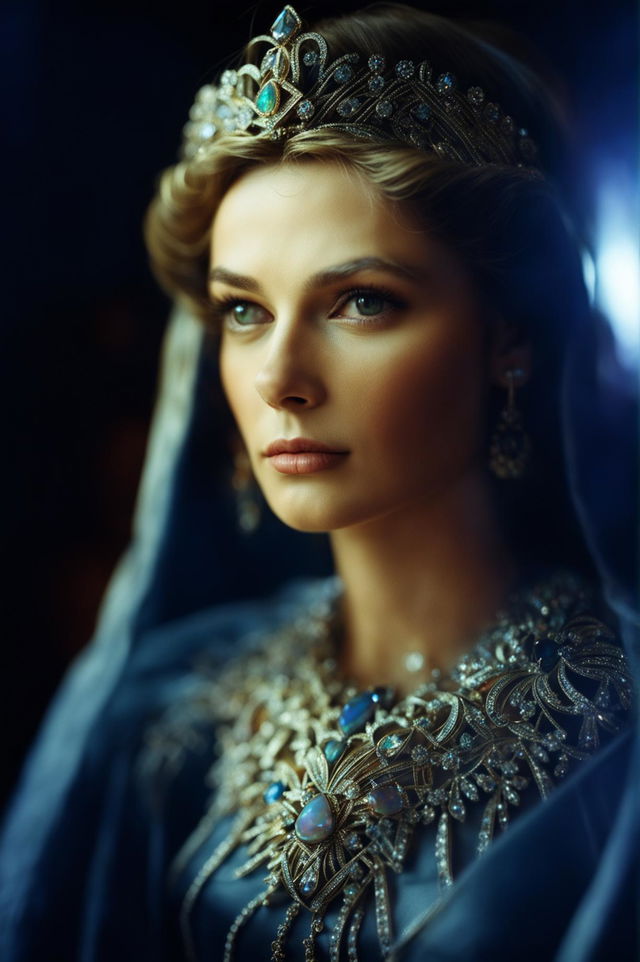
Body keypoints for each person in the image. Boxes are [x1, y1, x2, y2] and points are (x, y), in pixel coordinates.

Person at [1, 4, 637, 960]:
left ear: (509, 334)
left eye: (361, 302)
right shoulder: (175, 716)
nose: (280, 379)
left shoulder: (617, 732)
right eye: (246, 312)